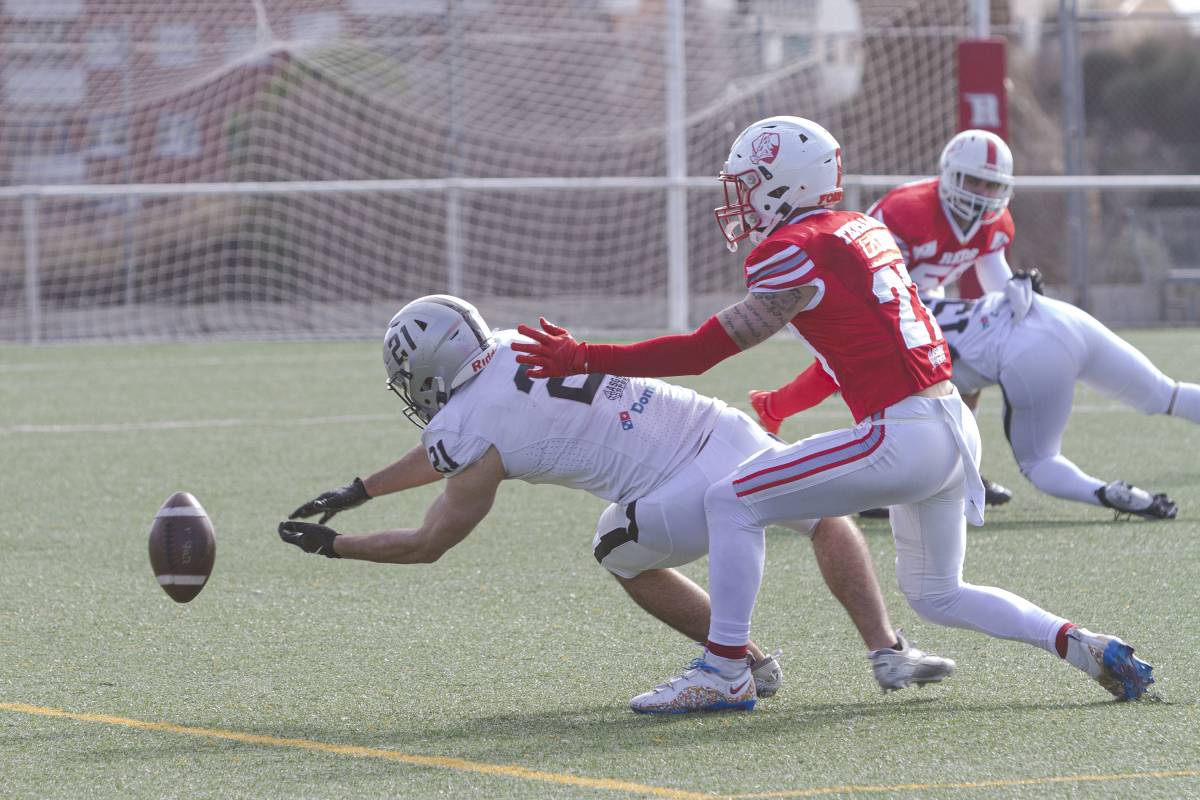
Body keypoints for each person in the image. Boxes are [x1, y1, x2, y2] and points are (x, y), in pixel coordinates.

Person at [512, 116, 1155, 713]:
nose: (741, 198)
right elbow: (855, 348)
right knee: (938, 593)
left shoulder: (789, 252)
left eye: (751, 183)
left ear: (786, 183)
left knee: (732, 498)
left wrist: (583, 355)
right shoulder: (862, 230)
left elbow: (705, 350)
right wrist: (790, 401)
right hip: (954, 429)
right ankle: (1081, 643)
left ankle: (724, 669)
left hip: (902, 433)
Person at [277, 294, 956, 704]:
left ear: (430, 372)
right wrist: (363, 489)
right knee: (820, 513)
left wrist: (338, 546)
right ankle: (887, 650)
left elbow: (429, 544)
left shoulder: (466, 428)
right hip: (722, 427)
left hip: (681, 490)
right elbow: (448, 447)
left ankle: (739, 665)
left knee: (615, 548)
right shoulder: (511, 345)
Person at [749, 129, 1023, 509]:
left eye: (990, 184)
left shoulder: (997, 221)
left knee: (963, 372)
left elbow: (997, 278)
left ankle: (959, 465)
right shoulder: (907, 209)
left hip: (925, 300)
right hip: (884, 296)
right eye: (972, 180)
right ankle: (866, 461)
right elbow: (879, 275)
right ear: (948, 175)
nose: (979, 194)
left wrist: (1023, 296)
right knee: (858, 372)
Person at [924, 280, 1191, 518]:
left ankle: (1103, 492)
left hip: (1027, 350)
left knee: (1039, 461)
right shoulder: (925, 300)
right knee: (1167, 394)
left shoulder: (903, 332)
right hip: (1058, 315)